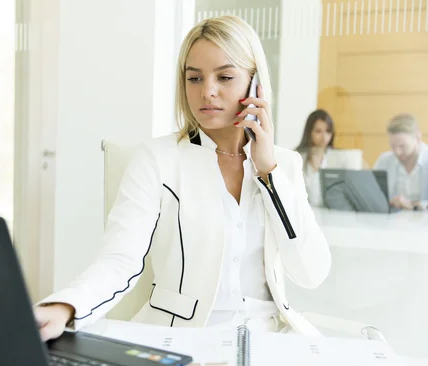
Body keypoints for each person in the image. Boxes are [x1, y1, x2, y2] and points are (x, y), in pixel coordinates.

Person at [34, 16, 331, 341]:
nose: (207, 91)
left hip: (267, 340)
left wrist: (269, 174)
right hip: (180, 338)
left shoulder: (284, 165)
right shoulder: (157, 159)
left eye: (225, 77)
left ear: (255, 83)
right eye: (194, 78)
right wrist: (65, 306)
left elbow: (311, 271)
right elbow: (120, 259)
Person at [295, 110, 363, 207]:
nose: (324, 137)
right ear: (309, 132)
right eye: (318, 131)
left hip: (331, 214)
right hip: (303, 213)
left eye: (328, 131)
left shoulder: (340, 158)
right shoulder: (296, 157)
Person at [374, 114, 428, 210]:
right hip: (389, 221)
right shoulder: (384, 161)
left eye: (403, 146)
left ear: (418, 138)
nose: (397, 152)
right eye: (393, 146)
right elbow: (372, 195)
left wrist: (413, 206)